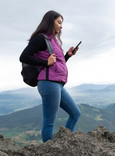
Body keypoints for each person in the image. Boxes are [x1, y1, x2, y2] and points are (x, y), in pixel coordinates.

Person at [19, 10, 81, 142]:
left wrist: (67, 56)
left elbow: (56, 64)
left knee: (75, 113)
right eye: (59, 22)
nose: (61, 26)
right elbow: (23, 56)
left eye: (62, 23)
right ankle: (50, 154)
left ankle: (64, 144)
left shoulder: (53, 41)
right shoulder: (40, 38)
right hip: (48, 83)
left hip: (57, 83)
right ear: (49, 21)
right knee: (49, 122)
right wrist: (45, 62)